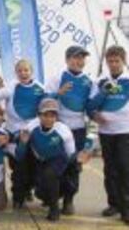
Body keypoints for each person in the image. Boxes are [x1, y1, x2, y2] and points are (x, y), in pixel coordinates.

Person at [45, 45, 93, 214]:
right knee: (56, 164)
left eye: (82, 58)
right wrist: (58, 93)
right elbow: (44, 101)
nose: (79, 61)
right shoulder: (56, 77)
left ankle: (68, 200)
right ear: (67, 60)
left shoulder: (89, 80)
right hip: (59, 128)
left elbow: (91, 107)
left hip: (79, 130)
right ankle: (53, 199)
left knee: (74, 166)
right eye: (75, 57)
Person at [0, 59, 45, 208]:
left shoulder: (40, 88)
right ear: (16, 73)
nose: (23, 73)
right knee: (17, 166)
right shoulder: (11, 87)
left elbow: (46, 108)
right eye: (20, 70)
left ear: (31, 71)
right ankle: (18, 196)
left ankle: (27, 190)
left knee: (32, 164)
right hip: (12, 132)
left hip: (32, 132)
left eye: (26, 70)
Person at [88, 45, 129, 224]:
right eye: (110, 61)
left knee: (124, 168)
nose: (113, 64)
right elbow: (90, 106)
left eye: (116, 61)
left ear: (123, 61)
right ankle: (113, 203)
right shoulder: (100, 81)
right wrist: (104, 92)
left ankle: (126, 208)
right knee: (110, 169)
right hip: (106, 132)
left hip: (125, 131)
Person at [17, 98, 76, 222]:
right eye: (45, 115)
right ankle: (49, 197)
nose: (49, 119)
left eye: (52, 115)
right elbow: (20, 155)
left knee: (50, 175)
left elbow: (71, 154)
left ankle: (54, 209)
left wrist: (67, 173)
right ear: (39, 115)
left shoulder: (64, 130)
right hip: (40, 160)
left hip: (58, 159)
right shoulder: (31, 127)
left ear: (57, 117)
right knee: (40, 192)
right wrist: (22, 143)